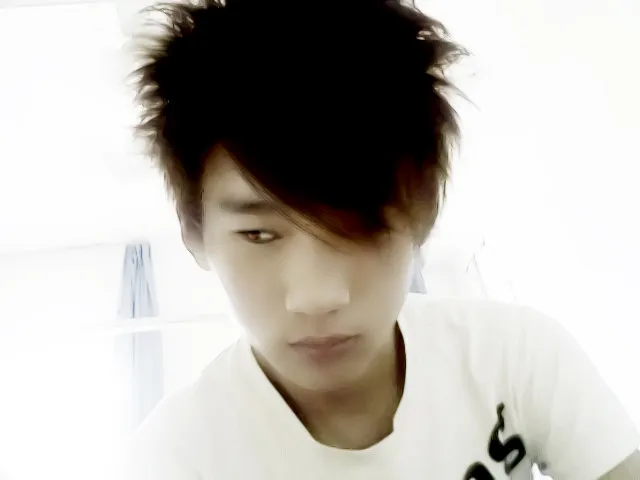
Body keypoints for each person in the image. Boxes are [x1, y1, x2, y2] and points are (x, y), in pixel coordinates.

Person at [121, 0, 640, 478]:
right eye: (258, 234)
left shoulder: (511, 354)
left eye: (361, 227)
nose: (317, 297)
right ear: (195, 234)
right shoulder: (173, 459)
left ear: (424, 217)